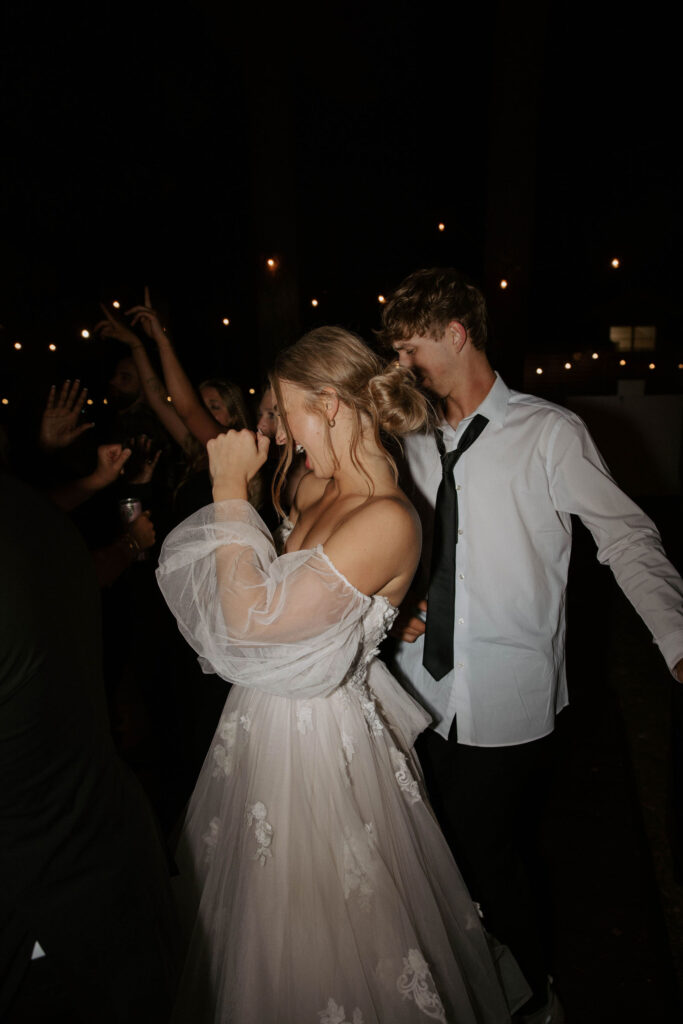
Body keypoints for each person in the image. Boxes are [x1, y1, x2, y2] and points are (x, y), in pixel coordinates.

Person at [156, 326, 531, 1024]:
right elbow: (288, 601)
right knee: (251, 923)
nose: (276, 427)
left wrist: (226, 485)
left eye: (283, 408)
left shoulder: (386, 517)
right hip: (260, 727)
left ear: (327, 404)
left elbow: (247, 624)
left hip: (317, 746)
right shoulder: (313, 485)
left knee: (326, 932)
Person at [379, 267, 683, 1023]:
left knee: (488, 858)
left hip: (506, 694)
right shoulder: (407, 437)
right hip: (416, 688)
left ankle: (532, 997)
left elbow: (625, 538)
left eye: (410, 349)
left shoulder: (549, 433)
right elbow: (395, 538)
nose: (401, 367)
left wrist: (675, 636)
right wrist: (398, 604)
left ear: (456, 334)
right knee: (432, 858)